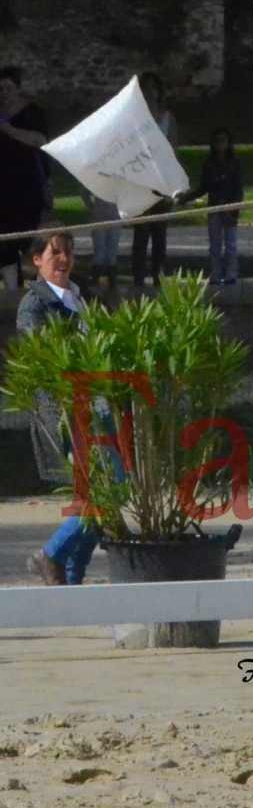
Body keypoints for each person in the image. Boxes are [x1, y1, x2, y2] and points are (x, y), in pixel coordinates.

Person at [17, 232, 102, 586]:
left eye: (69, 251)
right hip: (63, 411)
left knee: (99, 497)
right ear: (37, 259)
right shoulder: (33, 305)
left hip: (93, 406)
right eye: (55, 252)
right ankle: (51, 555)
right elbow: (42, 358)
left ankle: (70, 574)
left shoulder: (80, 297)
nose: (63, 259)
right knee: (100, 498)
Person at [0, 65, 50, 291]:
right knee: (5, 242)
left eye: (8, 88)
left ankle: (39, 291)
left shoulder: (33, 112)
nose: (4, 93)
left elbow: (40, 140)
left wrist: (9, 130)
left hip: (28, 186)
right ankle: (13, 292)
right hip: (3, 188)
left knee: (27, 239)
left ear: (17, 88)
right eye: (0, 89)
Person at [178, 128, 244, 288]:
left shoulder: (235, 163)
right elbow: (203, 187)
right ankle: (215, 274)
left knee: (231, 245)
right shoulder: (209, 164)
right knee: (215, 245)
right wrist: (185, 197)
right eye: (217, 141)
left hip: (230, 208)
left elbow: (239, 189)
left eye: (223, 141)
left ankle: (231, 275)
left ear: (229, 143)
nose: (220, 145)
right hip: (214, 207)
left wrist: (233, 207)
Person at [130, 73, 177, 291]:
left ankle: (159, 277)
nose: (150, 93)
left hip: (162, 182)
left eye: (153, 88)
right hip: (141, 181)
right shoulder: (135, 119)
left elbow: (173, 151)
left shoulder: (168, 118)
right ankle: (138, 279)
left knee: (160, 234)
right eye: (145, 89)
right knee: (141, 234)